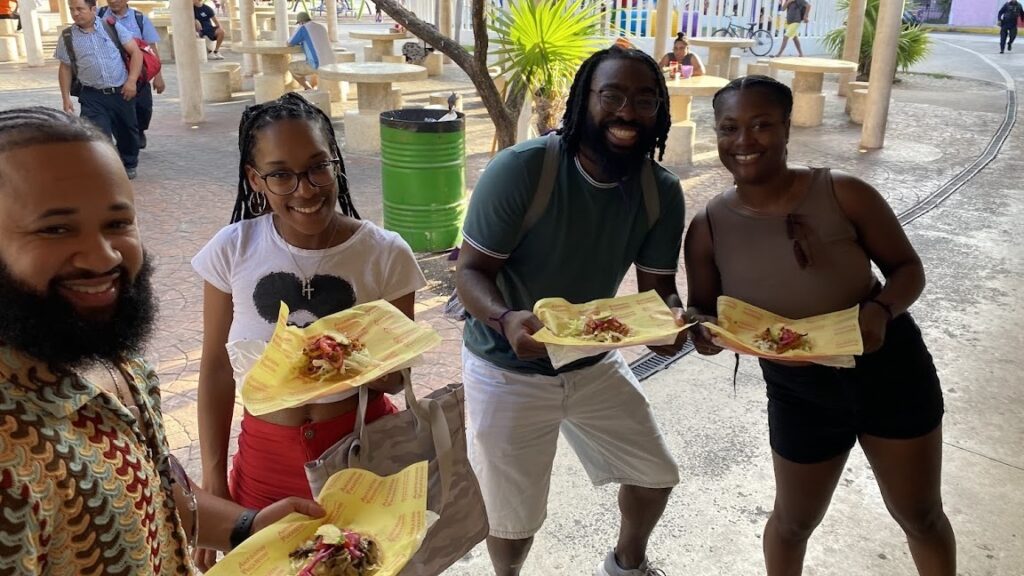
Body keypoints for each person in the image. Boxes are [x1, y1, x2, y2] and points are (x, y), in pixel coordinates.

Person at [0, 106, 326, 575]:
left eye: (117, 223)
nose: (102, 256)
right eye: (55, 228)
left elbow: (147, 485)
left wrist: (247, 526)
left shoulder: (113, 359)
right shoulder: (12, 459)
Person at [684, 76, 957, 575]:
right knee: (792, 522)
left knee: (918, 515)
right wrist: (704, 334)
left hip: (888, 370)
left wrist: (881, 311)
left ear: (788, 129)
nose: (745, 141)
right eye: (730, 128)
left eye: (762, 124)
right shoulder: (708, 227)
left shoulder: (845, 193)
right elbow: (703, 310)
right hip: (797, 388)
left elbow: (907, 270)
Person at [456, 44, 687, 576]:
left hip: (592, 362)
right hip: (506, 365)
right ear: (584, 101)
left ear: (659, 111)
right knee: (514, 520)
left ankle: (627, 565)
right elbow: (469, 273)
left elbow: (658, 294)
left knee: (654, 473)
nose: (628, 112)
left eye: (645, 100)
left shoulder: (661, 192)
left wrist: (672, 324)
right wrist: (504, 318)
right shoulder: (523, 170)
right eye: (612, 96)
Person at [189, 93, 426, 571]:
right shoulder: (233, 250)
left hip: (362, 453)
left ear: (335, 164)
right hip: (263, 461)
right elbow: (216, 367)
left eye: (318, 167)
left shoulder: (385, 253)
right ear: (257, 180)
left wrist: (364, 365)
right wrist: (213, 482)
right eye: (281, 174)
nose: (306, 188)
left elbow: (397, 375)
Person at [55, 0, 143, 180]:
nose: (75, 13)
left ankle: (129, 163)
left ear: (93, 9)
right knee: (96, 135)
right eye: (72, 10)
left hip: (121, 92)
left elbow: (136, 52)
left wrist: (132, 81)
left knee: (128, 131)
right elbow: (65, 67)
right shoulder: (67, 37)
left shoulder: (111, 27)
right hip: (92, 96)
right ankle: (107, 169)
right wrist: (65, 98)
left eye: (80, 9)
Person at [98, 0, 165, 149]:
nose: (113, 1)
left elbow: (151, 48)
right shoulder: (98, 15)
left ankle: (139, 130)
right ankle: (126, 140)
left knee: (144, 108)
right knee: (118, 111)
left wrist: (158, 76)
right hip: (112, 75)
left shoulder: (140, 19)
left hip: (139, 74)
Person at [287, 11, 335, 90]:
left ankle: (308, 89)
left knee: (291, 66)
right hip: (331, 61)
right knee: (311, 61)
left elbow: (289, 43)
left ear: (301, 22)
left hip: (318, 64)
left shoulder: (303, 27)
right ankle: (314, 86)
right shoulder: (321, 26)